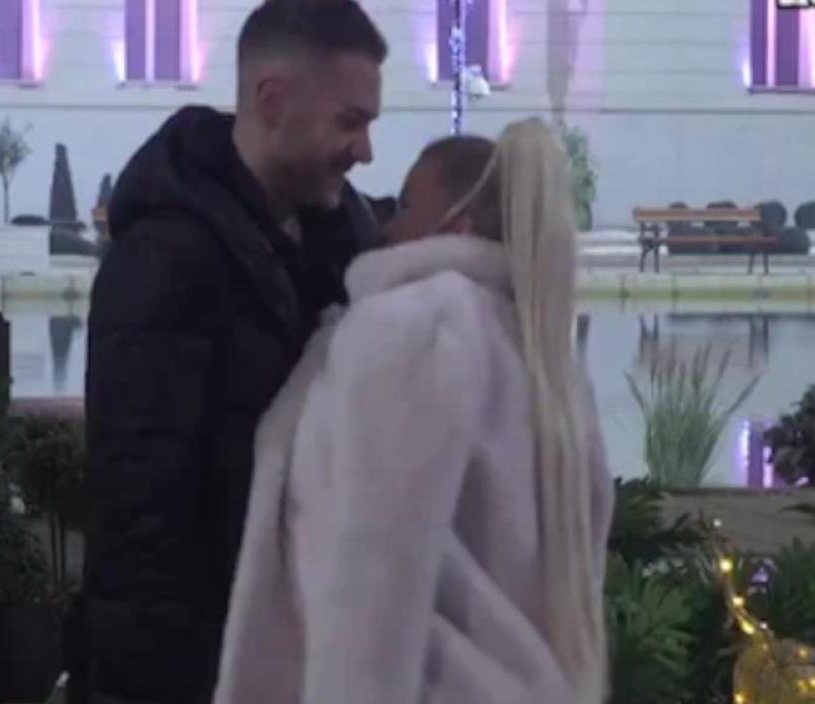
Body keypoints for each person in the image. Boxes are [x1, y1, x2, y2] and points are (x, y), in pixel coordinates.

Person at [214, 118, 612, 704]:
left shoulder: (411, 328)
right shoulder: (549, 360)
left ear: (457, 223)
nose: (387, 227)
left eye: (405, 205)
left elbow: (372, 577)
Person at [67, 1, 388, 702]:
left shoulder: (346, 245)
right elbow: (142, 520)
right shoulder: (165, 261)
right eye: (350, 121)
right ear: (273, 101)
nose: (365, 150)